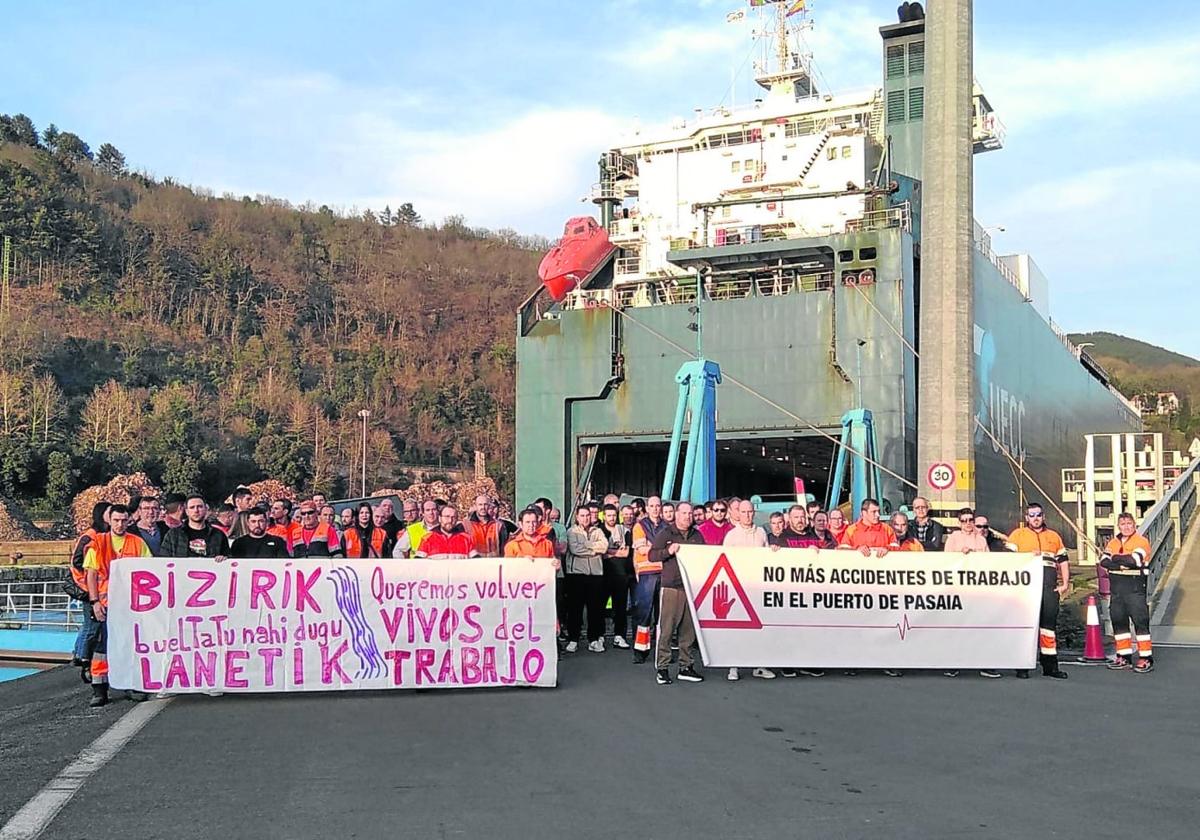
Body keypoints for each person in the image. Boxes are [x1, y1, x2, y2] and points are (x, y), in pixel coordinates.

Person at [83, 505, 151, 707]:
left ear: (129, 520)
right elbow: (91, 575)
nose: (120, 524)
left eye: (123, 520)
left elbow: (149, 571)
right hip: (105, 605)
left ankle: (131, 684)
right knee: (102, 648)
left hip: (130, 606)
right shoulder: (98, 542)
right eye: (116, 520)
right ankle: (99, 689)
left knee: (130, 645)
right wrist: (94, 602)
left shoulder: (137, 543)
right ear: (109, 521)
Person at [1006, 502, 1069, 679]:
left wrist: (1065, 583)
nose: (1035, 518)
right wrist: (1026, 556)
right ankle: (1022, 666)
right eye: (1032, 515)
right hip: (1026, 589)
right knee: (1025, 627)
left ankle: (1050, 666)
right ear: (1026, 518)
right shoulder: (1018, 535)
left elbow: (1062, 560)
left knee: (1048, 628)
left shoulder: (1054, 536)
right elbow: (1008, 561)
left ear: (1043, 516)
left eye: (1038, 515)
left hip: (1049, 588)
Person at [650, 502, 706, 685]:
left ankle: (686, 666)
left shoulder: (697, 535)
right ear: (676, 514)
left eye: (690, 514)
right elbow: (652, 555)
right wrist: (668, 551)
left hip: (691, 587)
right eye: (684, 513)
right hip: (671, 587)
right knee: (666, 630)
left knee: (688, 631)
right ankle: (663, 668)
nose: (688, 517)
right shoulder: (666, 533)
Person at [723, 500, 773, 681]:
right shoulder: (731, 535)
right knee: (738, 629)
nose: (747, 515)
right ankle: (733, 666)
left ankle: (759, 665)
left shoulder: (761, 532)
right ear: (738, 513)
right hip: (738, 587)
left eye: (750, 512)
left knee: (759, 627)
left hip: (758, 587)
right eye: (743, 512)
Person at [1100, 512, 1154, 673]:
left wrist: (1115, 559)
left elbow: (1135, 560)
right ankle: (1124, 656)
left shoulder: (1142, 541)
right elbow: (1103, 561)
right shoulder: (1113, 542)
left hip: (1135, 587)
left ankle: (1146, 657)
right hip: (1116, 588)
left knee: (1140, 622)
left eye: (1129, 523)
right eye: (1123, 524)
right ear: (1118, 526)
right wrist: (1119, 563)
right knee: (1119, 621)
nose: (1126, 527)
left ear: (1134, 525)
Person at [69, 502, 110, 683]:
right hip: (87, 588)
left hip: (97, 589)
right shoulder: (90, 536)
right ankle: (83, 660)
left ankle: (81, 655)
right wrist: (90, 573)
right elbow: (77, 561)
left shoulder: (100, 535)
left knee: (91, 627)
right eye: (110, 513)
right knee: (91, 627)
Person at [630, 496, 669, 664]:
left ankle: (662, 650)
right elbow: (642, 549)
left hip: (664, 572)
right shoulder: (640, 526)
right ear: (647, 507)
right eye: (651, 506)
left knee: (663, 615)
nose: (655, 509)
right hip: (647, 573)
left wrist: (653, 547)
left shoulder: (667, 526)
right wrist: (661, 549)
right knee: (644, 613)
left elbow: (662, 547)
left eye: (657, 505)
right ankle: (641, 649)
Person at [565, 507, 608, 653]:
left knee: (595, 609)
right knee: (575, 609)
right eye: (582, 516)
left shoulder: (598, 531)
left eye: (588, 515)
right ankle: (573, 639)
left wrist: (588, 546)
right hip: (577, 575)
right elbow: (575, 550)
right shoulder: (572, 532)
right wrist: (594, 550)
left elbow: (604, 547)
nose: (585, 518)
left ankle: (594, 639)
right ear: (577, 517)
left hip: (596, 575)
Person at [598, 504, 632, 649]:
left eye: (614, 515)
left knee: (620, 607)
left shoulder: (625, 531)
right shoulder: (598, 531)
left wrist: (609, 552)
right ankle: (599, 636)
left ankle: (620, 636)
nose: (611, 518)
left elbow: (625, 553)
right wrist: (615, 551)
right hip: (603, 574)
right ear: (604, 516)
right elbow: (600, 552)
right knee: (599, 607)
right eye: (609, 515)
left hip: (621, 574)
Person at [161, 495, 230, 559]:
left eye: (199, 507)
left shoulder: (218, 535)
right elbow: (164, 560)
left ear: (206, 509)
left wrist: (224, 559)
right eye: (192, 507)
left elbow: (229, 559)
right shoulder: (173, 535)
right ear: (187, 511)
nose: (196, 510)